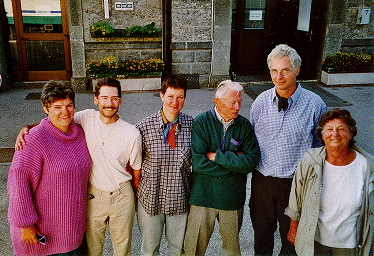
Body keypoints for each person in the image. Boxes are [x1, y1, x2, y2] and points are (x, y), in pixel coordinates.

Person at [15, 77, 142, 256]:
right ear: (96, 99)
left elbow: (137, 171)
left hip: (122, 196)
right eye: (104, 98)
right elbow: (57, 119)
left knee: (123, 249)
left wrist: (135, 199)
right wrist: (28, 128)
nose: (109, 103)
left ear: (120, 100)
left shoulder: (131, 133)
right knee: (92, 249)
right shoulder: (86, 117)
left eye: (114, 98)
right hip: (94, 196)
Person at [249, 44, 327, 255]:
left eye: (285, 70)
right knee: (262, 237)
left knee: (292, 241)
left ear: (297, 70)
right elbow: (253, 139)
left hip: (295, 184)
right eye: (274, 70)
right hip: (262, 181)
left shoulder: (314, 104)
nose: (279, 76)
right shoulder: (260, 103)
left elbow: (321, 147)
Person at [8, 81, 91, 255]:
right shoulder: (33, 140)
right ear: (46, 109)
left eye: (69, 105)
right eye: (57, 107)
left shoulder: (80, 133)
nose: (65, 112)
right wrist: (25, 224)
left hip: (72, 230)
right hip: (43, 233)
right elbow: (18, 183)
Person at [184, 80, 261, 256]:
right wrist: (235, 165)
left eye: (240, 102)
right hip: (202, 197)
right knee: (193, 248)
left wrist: (217, 157)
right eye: (232, 102)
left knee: (231, 250)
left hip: (232, 198)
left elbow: (251, 161)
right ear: (217, 102)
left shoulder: (244, 125)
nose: (237, 107)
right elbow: (199, 163)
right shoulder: (201, 122)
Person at [286, 109, 374, 256]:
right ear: (322, 134)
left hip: (349, 243)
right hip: (315, 240)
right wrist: (294, 228)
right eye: (329, 129)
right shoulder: (310, 160)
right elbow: (296, 197)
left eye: (341, 129)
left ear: (350, 134)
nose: (335, 134)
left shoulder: (367, 165)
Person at [135, 74, 193, 256]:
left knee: (176, 250)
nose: (175, 102)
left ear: (184, 98)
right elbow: (133, 165)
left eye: (180, 97)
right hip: (151, 199)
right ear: (161, 95)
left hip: (179, 198)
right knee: (150, 250)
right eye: (170, 96)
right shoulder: (143, 127)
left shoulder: (193, 125)